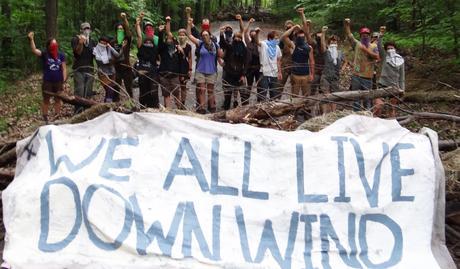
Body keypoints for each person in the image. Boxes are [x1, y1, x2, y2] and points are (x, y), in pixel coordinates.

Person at [28, 32, 67, 123]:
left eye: (55, 44)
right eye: (53, 44)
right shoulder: (45, 54)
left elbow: (64, 68)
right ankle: (45, 117)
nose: (54, 45)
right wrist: (31, 39)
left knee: (58, 99)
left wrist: (64, 80)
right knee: (46, 99)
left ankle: (57, 116)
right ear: (49, 45)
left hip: (58, 81)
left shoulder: (61, 55)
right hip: (48, 81)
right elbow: (34, 50)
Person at [187, 17, 223, 114]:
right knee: (201, 90)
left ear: (210, 36)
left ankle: (212, 107)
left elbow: (221, 55)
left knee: (210, 90)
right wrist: (189, 24)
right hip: (201, 70)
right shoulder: (200, 43)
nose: (205, 36)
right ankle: (202, 108)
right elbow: (189, 35)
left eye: (206, 35)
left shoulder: (216, 45)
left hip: (212, 71)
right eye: (203, 35)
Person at [344, 18, 380, 111]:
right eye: (363, 35)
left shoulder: (374, 46)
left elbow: (377, 57)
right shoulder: (357, 44)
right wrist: (347, 25)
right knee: (356, 98)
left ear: (369, 36)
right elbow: (349, 35)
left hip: (368, 76)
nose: (365, 36)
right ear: (360, 35)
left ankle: (367, 115)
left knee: (367, 99)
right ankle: (356, 115)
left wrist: (366, 50)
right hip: (356, 75)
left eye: (367, 35)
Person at [376, 26, 405, 118]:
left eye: (392, 48)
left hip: (395, 86)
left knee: (392, 108)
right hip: (383, 84)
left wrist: (402, 89)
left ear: (395, 49)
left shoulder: (400, 60)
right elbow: (379, 46)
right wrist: (381, 35)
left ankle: (391, 124)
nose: (390, 50)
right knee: (378, 106)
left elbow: (402, 76)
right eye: (388, 48)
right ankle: (374, 122)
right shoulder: (385, 57)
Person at [220, 16, 247, 110]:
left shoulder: (244, 50)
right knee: (228, 93)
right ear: (234, 38)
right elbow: (223, 44)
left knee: (243, 92)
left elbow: (246, 62)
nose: (238, 39)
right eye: (236, 38)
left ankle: (243, 110)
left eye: (240, 38)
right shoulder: (230, 46)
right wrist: (221, 34)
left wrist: (243, 74)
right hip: (229, 73)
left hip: (239, 74)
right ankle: (226, 109)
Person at [280, 25, 314, 98]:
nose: (301, 38)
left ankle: (306, 109)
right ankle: (294, 109)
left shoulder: (309, 47)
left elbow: (311, 61)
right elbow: (284, 37)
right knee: (294, 96)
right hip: (295, 74)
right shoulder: (293, 45)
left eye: (302, 36)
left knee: (306, 96)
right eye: (299, 36)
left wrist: (312, 74)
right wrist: (293, 27)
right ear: (296, 37)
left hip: (306, 74)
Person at [299, 8, 325, 99]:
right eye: (318, 34)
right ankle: (308, 110)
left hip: (325, 74)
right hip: (315, 73)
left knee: (324, 96)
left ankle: (323, 113)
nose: (320, 36)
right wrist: (303, 14)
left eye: (321, 34)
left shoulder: (327, 47)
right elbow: (306, 32)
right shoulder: (313, 44)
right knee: (311, 94)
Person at [135, 12, 160, 108]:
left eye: (150, 28)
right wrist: (138, 23)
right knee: (143, 92)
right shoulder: (141, 43)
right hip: (142, 71)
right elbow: (139, 35)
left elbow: (160, 54)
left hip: (153, 72)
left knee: (153, 92)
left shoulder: (156, 42)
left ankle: (154, 109)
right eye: (147, 28)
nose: (149, 29)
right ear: (144, 30)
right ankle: (143, 108)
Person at [71, 22, 96, 113]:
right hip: (79, 70)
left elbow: (95, 55)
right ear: (81, 30)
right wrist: (81, 43)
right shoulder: (75, 39)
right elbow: (77, 53)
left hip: (90, 69)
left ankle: (87, 111)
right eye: (85, 28)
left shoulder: (92, 41)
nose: (86, 30)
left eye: (88, 28)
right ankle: (78, 112)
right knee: (79, 92)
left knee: (88, 92)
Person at [320, 26, 346, 113]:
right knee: (325, 94)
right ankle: (324, 113)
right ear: (329, 43)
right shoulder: (326, 51)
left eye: (335, 41)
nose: (333, 43)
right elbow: (322, 44)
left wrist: (342, 69)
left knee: (334, 95)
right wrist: (323, 33)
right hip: (326, 75)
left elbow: (346, 61)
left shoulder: (340, 52)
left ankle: (333, 112)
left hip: (336, 76)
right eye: (332, 41)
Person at [158, 17, 181, 108]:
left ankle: (180, 109)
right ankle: (168, 110)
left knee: (176, 93)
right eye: (167, 38)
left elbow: (169, 33)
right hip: (164, 74)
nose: (169, 39)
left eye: (171, 38)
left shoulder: (177, 48)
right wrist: (167, 23)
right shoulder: (163, 47)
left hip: (175, 74)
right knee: (166, 94)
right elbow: (162, 38)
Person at [256, 29, 283, 100]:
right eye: (275, 38)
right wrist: (257, 33)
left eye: (278, 38)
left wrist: (280, 72)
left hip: (274, 73)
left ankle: (272, 109)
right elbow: (257, 42)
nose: (277, 40)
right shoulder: (264, 44)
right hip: (264, 73)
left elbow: (278, 61)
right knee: (262, 95)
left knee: (274, 95)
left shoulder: (277, 47)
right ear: (270, 38)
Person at [113, 12, 134, 102]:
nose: (120, 30)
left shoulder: (127, 39)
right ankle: (115, 105)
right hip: (116, 68)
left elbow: (128, 32)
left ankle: (132, 103)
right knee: (116, 89)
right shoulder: (113, 41)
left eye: (121, 29)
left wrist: (125, 19)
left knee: (129, 88)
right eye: (118, 29)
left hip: (126, 67)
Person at [93, 36, 120, 103]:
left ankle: (106, 105)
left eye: (105, 43)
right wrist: (110, 60)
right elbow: (99, 61)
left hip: (112, 72)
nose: (103, 44)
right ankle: (108, 105)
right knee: (109, 89)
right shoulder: (96, 50)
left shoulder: (108, 48)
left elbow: (117, 55)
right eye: (101, 42)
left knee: (110, 91)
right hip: (103, 73)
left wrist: (110, 47)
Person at [243, 18, 262, 103]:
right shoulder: (248, 43)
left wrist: (257, 32)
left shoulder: (260, 44)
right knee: (249, 86)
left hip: (258, 68)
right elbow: (245, 32)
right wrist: (249, 23)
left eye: (255, 34)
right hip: (250, 68)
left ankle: (259, 101)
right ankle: (245, 102)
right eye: (252, 34)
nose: (253, 35)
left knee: (260, 86)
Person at [177, 28, 192, 109]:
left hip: (184, 67)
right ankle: (177, 102)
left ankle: (183, 103)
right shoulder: (175, 44)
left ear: (186, 36)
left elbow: (189, 58)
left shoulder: (188, 46)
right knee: (175, 86)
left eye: (183, 35)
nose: (181, 37)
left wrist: (190, 69)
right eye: (180, 35)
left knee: (183, 86)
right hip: (175, 66)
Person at [278, 20, 295, 91]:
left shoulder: (297, 38)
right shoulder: (282, 40)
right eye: (288, 28)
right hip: (285, 66)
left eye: (290, 27)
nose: (289, 30)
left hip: (295, 66)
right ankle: (277, 100)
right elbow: (279, 55)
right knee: (279, 86)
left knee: (295, 87)